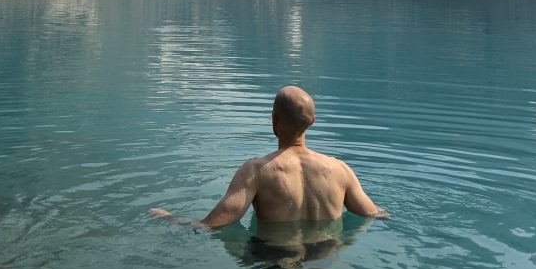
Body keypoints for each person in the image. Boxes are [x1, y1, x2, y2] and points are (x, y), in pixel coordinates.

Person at [149, 85, 388, 230]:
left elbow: (213, 226)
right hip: (324, 262)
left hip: (277, 262)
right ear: (312, 123)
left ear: (274, 119)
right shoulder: (340, 170)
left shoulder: (256, 171)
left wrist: (167, 217)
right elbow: (373, 214)